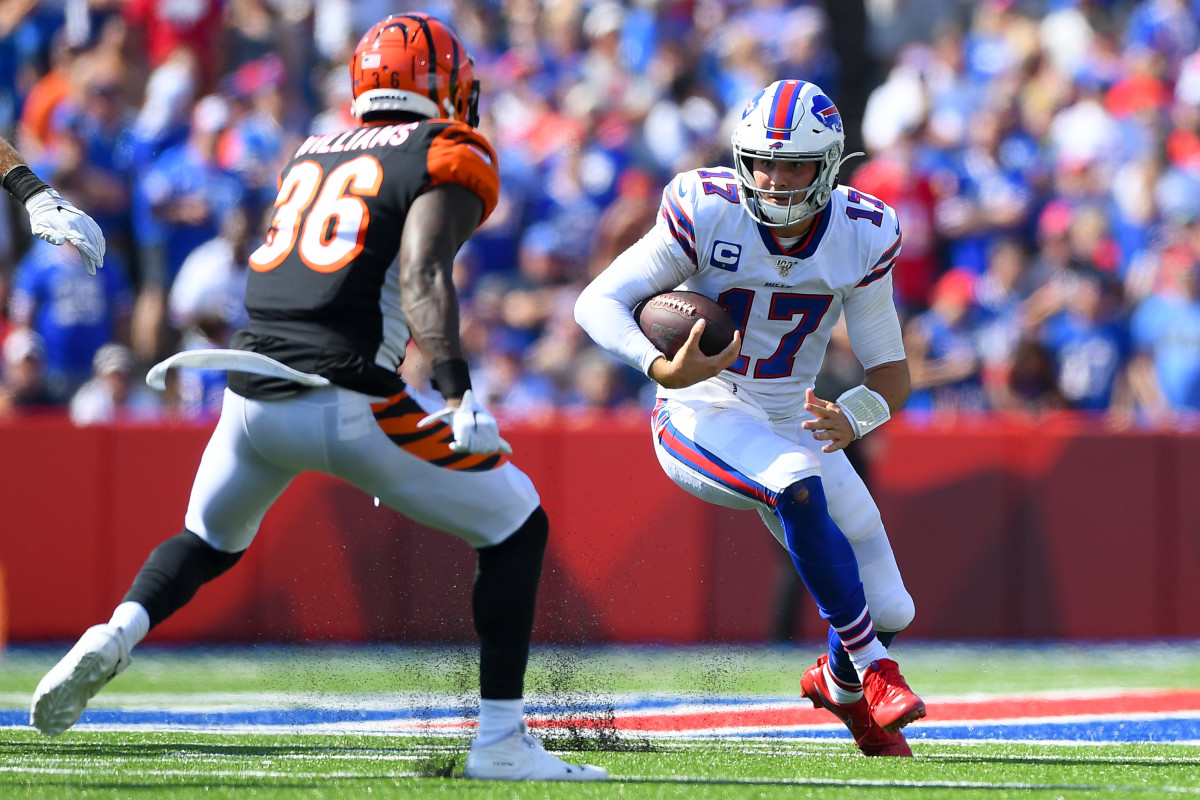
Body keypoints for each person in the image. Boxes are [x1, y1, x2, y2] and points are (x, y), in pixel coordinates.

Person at [30, 14, 606, 784]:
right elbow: (424, 271)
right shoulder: (446, 147)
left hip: (249, 390)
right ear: (443, 85)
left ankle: (116, 632)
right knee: (516, 522)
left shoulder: (311, 149)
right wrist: (458, 390)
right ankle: (501, 740)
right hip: (346, 396)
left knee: (206, 539)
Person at [575, 79, 925, 757]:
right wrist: (658, 367)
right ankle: (874, 670)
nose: (773, 179)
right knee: (795, 477)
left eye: (794, 165)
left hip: (789, 415)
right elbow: (597, 301)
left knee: (892, 606)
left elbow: (891, 373)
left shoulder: (861, 233)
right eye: (762, 161)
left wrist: (853, 417)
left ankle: (841, 687)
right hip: (699, 409)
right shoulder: (708, 209)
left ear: (829, 165)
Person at [1, 135, 106, 276]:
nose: (73, 149)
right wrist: (64, 167)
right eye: (69, 141)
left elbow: (116, 197)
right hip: (47, 254)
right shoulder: (43, 169)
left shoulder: (88, 171)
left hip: (82, 254)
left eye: (76, 143)